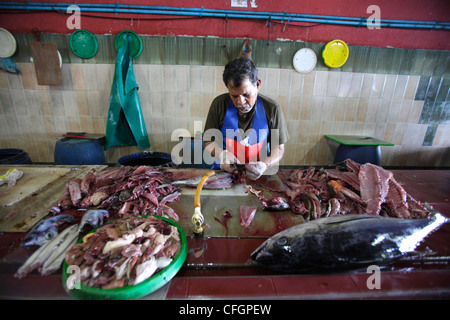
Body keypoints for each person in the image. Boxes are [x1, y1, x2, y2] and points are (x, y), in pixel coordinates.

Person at [203, 58, 289, 180]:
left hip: (259, 176)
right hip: (225, 173)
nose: (240, 102)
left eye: (246, 94)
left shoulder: (272, 109)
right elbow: (209, 141)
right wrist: (220, 154)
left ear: (258, 84)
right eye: (234, 96)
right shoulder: (219, 105)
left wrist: (265, 165)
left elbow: (278, 148)